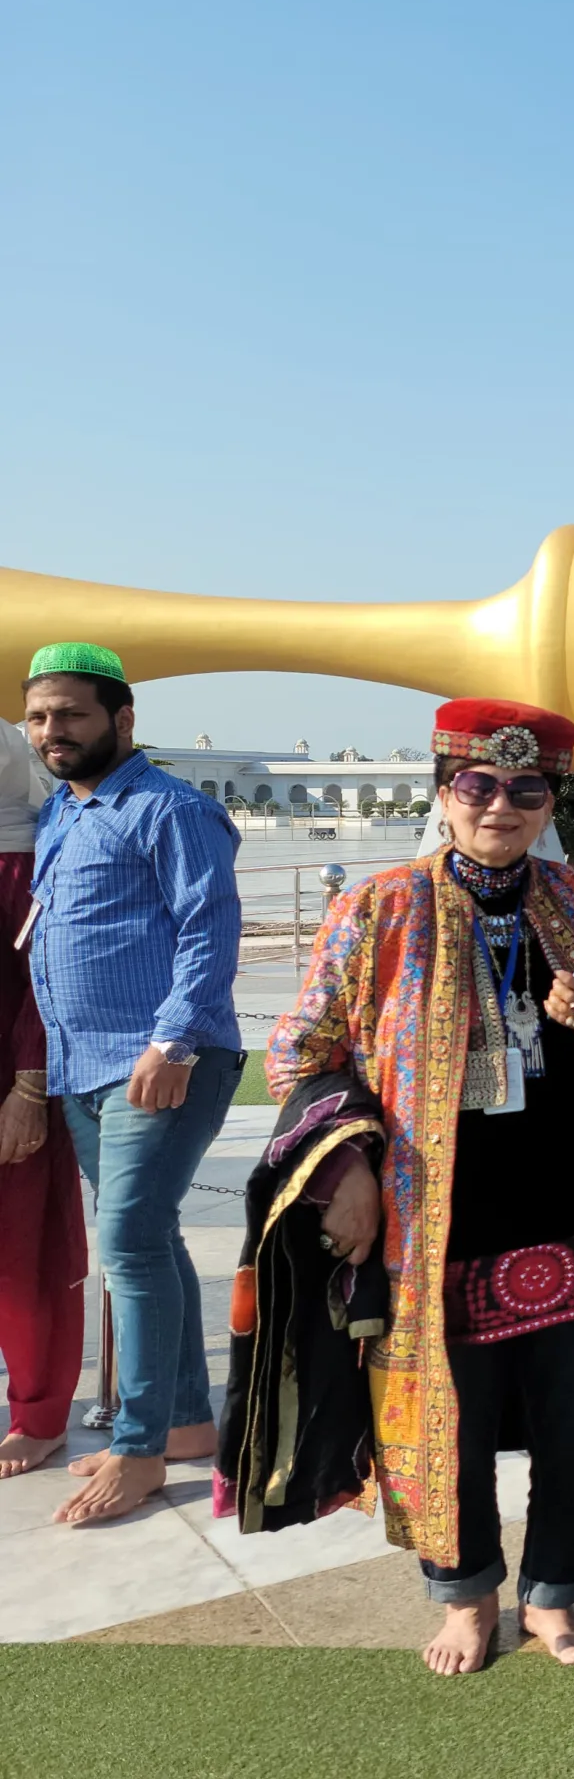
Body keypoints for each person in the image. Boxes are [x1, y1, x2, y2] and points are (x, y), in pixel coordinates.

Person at [268, 698, 574, 1674]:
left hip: (571, 1221)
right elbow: (299, 1051)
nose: (502, 805)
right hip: (431, 1224)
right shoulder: (381, 907)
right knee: (446, 1427)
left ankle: (552, 1598)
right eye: (479, 785)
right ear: (445, 792)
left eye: (528, 789)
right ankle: (466, 1597)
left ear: (548, 800)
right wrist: (345, 1168)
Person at [22, 642, 244, 1526]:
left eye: (70, 714)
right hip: (81, 1065)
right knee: (149, 1239)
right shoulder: (64, 814)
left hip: (155, 1061)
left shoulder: (168, 809)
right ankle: (188, 1419)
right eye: (39, 717)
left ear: (121, 720)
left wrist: (173, 1042)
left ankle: (141, 1447)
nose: (52, 732)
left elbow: (209, 928)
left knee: (126, 1243)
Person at [0, 713, 85, 1480]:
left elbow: (43, 978)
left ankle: (39, 1409)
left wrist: (29, 1085)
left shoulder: (21, 865)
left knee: (19, 1256)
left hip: (10, 1084)